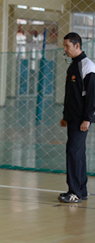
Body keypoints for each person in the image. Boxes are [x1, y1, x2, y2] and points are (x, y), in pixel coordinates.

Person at [59, 32, 95, 203]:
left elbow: (91, 97)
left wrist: (87, 119)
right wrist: (65, 116)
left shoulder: (88, 66)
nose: (65, 49)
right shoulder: (73, 66)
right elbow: (70, 95)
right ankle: (82, 190)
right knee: (78, 154)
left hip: (81, 119)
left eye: (67, 46)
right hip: (72, 118)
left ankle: (74, 192)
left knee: (73, 152)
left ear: (77, 46)